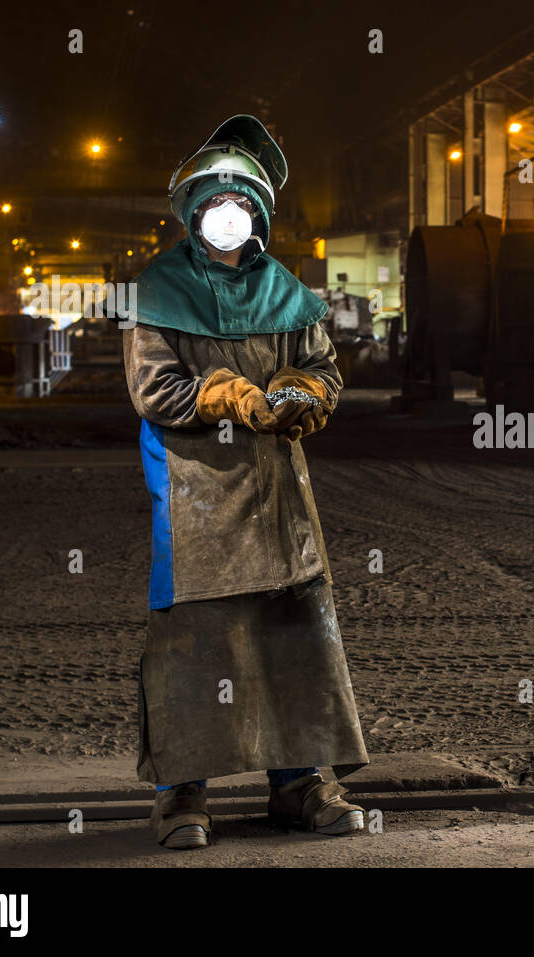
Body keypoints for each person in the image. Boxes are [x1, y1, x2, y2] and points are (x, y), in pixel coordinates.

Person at [122, 115, 369, 850]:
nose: (227, 217)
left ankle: (301, 786)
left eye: (241, 206)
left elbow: (324, 371)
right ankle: (182, 800)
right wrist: (229, 394)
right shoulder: (159, 291)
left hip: (279, 498)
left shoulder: (288, 293)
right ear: (193, 213)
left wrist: (302, 392)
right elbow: (155, 388)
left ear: (258, 216)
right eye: (213, 205)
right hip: (195, 496)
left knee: (295, 631)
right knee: (195, 642)